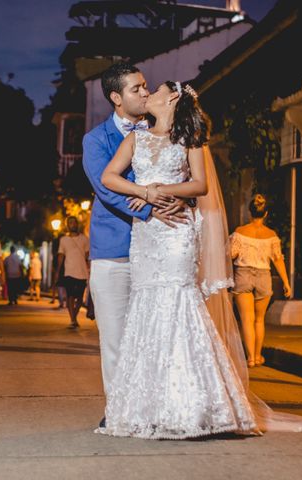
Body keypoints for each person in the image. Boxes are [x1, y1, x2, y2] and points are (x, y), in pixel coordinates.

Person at [97, 80, 302, 438]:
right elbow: (109, 177)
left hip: (177, 235)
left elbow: (199, 185)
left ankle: (196, 405)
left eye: (153, 90)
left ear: (171, 98)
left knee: (179, 305)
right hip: (148, 239)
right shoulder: (134, 139)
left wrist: (164, 191)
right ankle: (149, 407)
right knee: (148, 308)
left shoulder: (190, 141)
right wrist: (144, 191)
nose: (147, 94)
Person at [82, 62, 187, 426]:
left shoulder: (164, 130)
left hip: (158, 251)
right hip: (113, 250)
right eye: (136, 89)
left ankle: (153, 409)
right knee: (115, 338)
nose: (145, 92)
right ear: (116, 97)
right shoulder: (96, 140)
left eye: (145, 86)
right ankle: (120, 413)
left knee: (150, 336)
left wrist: (176, 198)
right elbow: (105, 188)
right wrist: (151, 208)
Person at [231, 194, 292, 367]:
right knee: (259, 319)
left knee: (246, 319)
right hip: (264, 276)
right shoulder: (271, 235)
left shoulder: (240, 232)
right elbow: (278, 259)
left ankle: (249, 358)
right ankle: (258, 356)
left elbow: (231, 254)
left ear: (250, 213)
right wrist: (286, 282)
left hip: (243, 275)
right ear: (265, 214)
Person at [55, 217, 89, 329]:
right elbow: (60, 256)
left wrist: (90, 269)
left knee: (79, 297)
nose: (72, 224)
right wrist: (58, 271)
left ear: (77, 224)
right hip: (68, 271)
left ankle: (74, 316)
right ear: (67, 225)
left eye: (74, 222)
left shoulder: (84, 239)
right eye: (70, 223)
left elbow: (88, 256)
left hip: (82, 272)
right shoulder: (63, 239)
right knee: (70, 295)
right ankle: (73, 319)